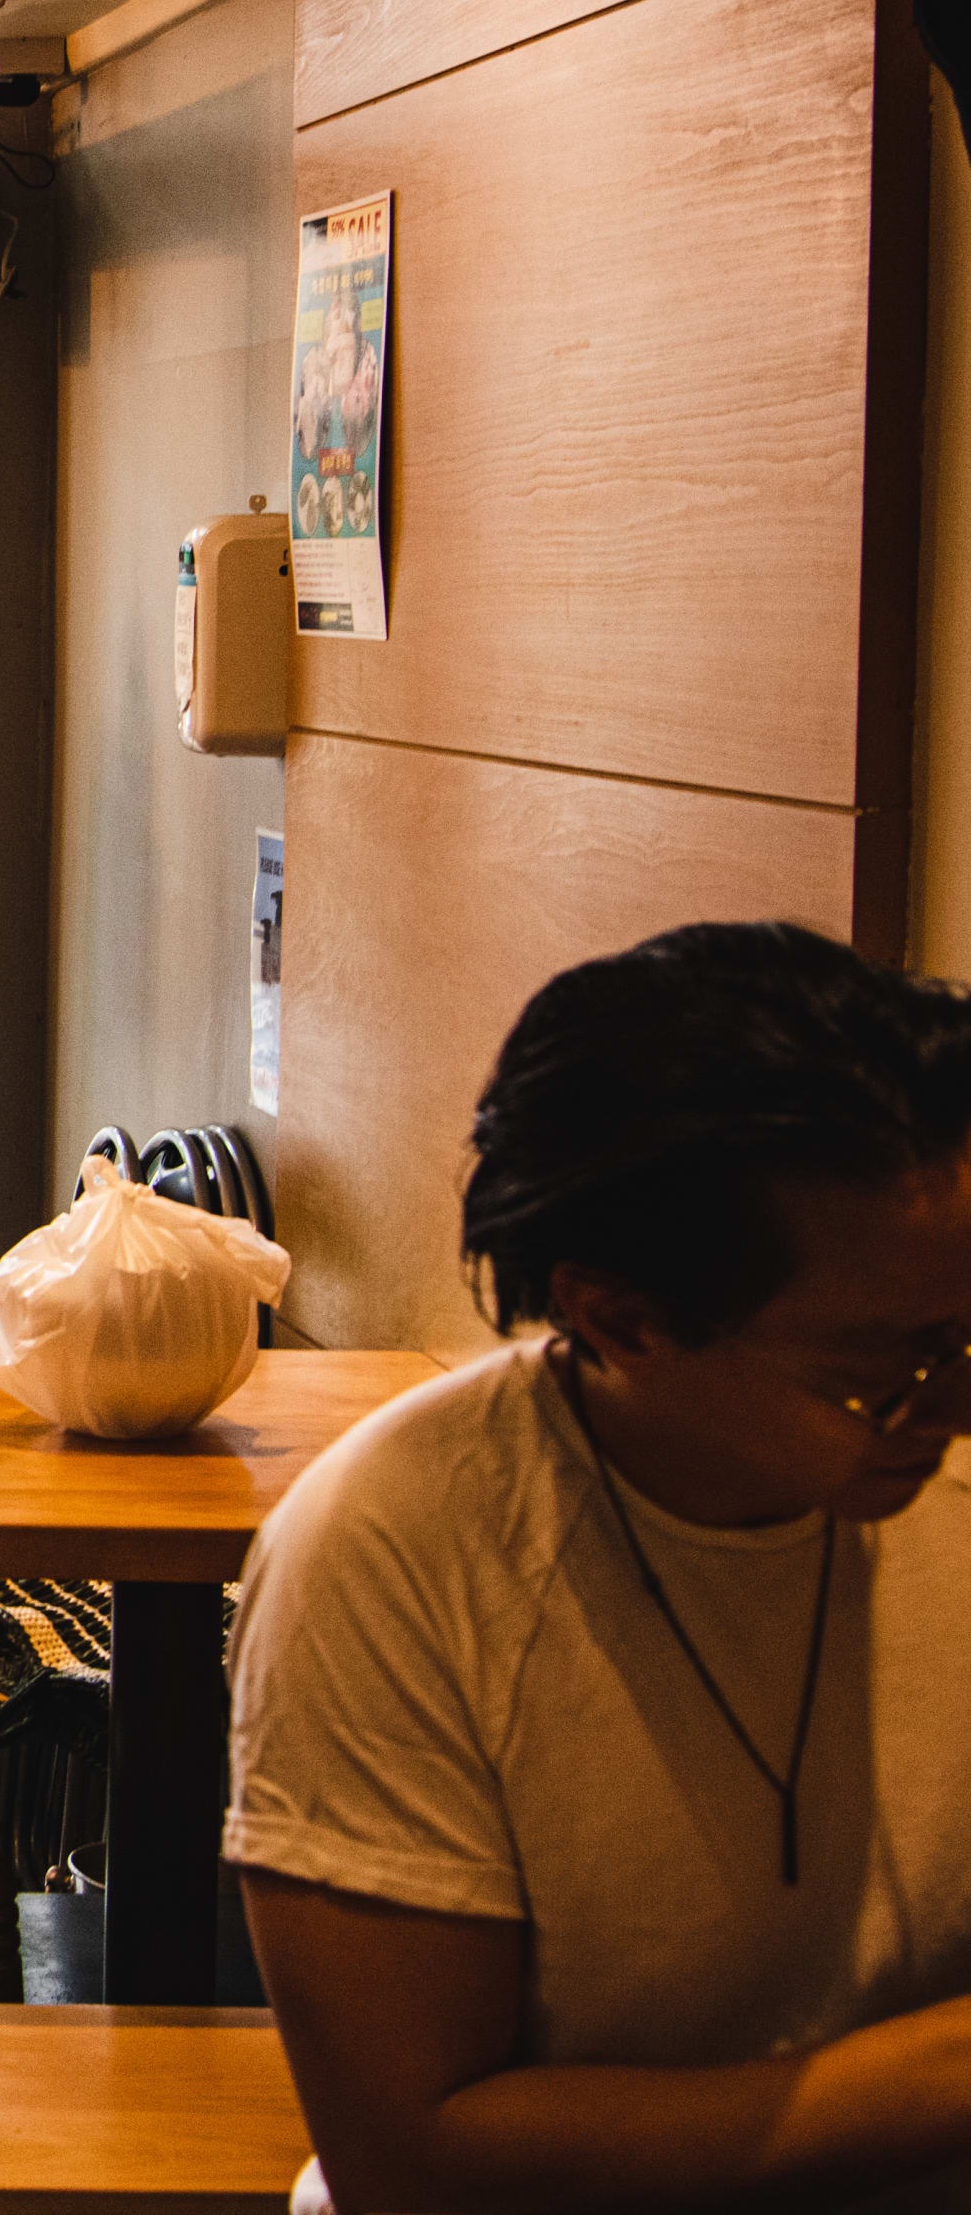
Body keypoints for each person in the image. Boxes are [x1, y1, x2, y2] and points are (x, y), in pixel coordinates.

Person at [226, 921, 971, 2215]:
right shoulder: (400, 1549)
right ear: (618, 1318)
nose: (953, 1402)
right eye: (884, 1373)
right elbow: (416, 2158)